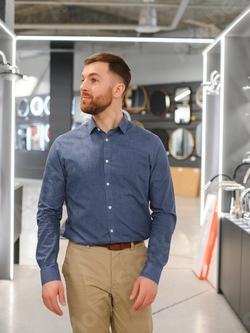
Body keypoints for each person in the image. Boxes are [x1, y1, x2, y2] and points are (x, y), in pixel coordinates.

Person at [36, 52, 177, 333]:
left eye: (94, 79)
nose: (84, 86)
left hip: (134, 262)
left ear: (118, 89)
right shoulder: (64, 147)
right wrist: (48, 270)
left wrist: (153, 270)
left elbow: (164, 213)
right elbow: (48, 213)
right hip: (83, 263)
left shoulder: (150, 146)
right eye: (83, 79)